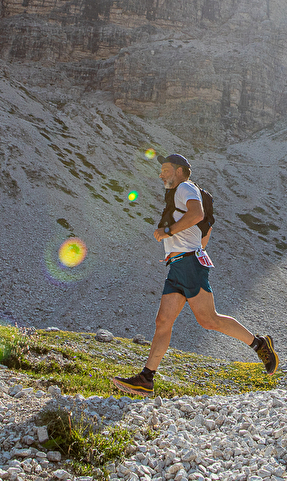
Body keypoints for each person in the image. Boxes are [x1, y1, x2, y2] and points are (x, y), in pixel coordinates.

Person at [112, 153, 277, 395]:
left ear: (179, 171)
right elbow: (203, 235)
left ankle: (259, 345)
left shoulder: (185, 187)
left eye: (166, 169)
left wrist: (168, 231)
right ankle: (146, 379)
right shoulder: (179, 193)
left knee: (209, 320)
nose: (161, 174)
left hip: (188, 264)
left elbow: (198, 215)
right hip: (179, 265)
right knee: (163, 322)